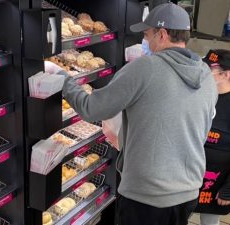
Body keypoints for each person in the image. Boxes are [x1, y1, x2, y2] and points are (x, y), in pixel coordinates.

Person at [46, 3, 218, 225]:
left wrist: (62, 77)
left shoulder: (145, 68)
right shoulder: (206, 75)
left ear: (162, 34)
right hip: (188, 192)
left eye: (147, 35)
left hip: (147, 195)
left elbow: (91, 108)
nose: (146, 42)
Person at [194, 49, 230, 225]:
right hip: (185, 178)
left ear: (226, 74)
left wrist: (229, 190)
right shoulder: (198, 95)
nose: (204, 73)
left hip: (217, 183)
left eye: (210, 70)